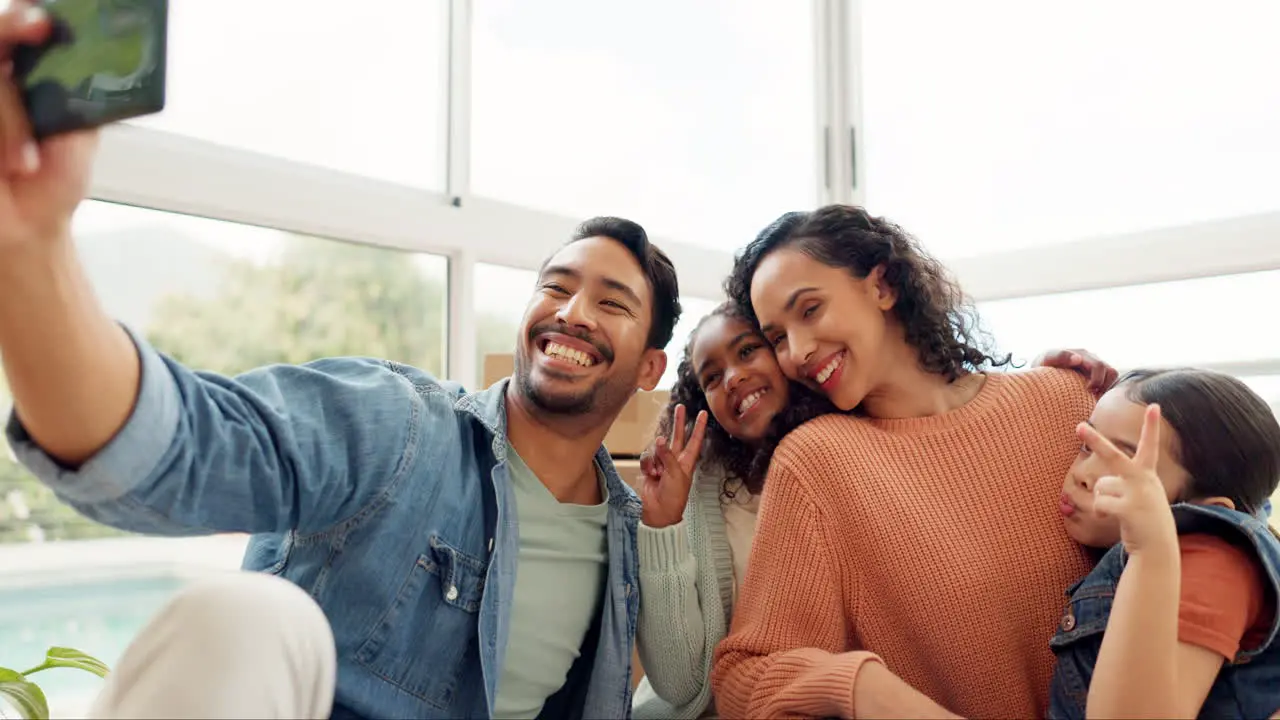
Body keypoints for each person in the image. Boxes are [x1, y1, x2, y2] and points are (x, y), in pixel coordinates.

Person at [0, 6, 677, 718]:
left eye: (611, 303)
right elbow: (178, 449)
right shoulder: (404, 427)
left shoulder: (624, 538)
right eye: (556, 287)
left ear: (648, 369)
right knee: (249, 616)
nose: (571, 313)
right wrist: (30, 243)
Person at [631, 213, 1120, 720]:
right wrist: (859, 686)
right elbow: (746, 676)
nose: (796, 353)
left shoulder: (1066, 399)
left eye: (811, 310)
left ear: (882, 284)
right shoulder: (815, 463)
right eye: (778, 337)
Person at [1051, 368, 1280, 719]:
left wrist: (1151, 552)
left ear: (1204, 509)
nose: (1082, 475)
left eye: (1123, 464)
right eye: (1088, 446)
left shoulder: (1216, 559)